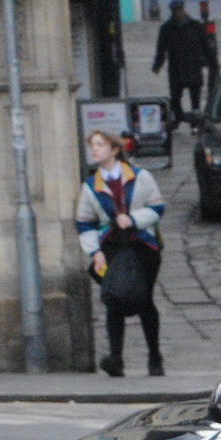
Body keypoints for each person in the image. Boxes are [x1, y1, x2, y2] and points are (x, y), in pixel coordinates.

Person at [77, 130, 165, 378]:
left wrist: (134, 219)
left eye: (100, 145)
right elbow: (84, 223)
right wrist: (95, 252)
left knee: (144, 300)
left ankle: (155, 357)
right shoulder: (91, 186)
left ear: (114, 150)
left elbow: (157, 207)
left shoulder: (140, 177)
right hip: (111, 250)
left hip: (143, 247)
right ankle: (116, 359)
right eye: (92, 145)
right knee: (113, 300)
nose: (94, 149)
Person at [150, 1, 210, 125]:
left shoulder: (196, 26)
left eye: (179, 10)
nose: (178, 13)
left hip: (193, 66)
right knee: (175, 98)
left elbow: (206, 46)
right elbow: (161, 48)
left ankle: (195, 122)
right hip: (176, 68)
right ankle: (178, 118)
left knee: (195, 98)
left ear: (184, 9)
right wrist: (157, 65)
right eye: (175, 11)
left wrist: (211, 62)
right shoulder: (166, 28)